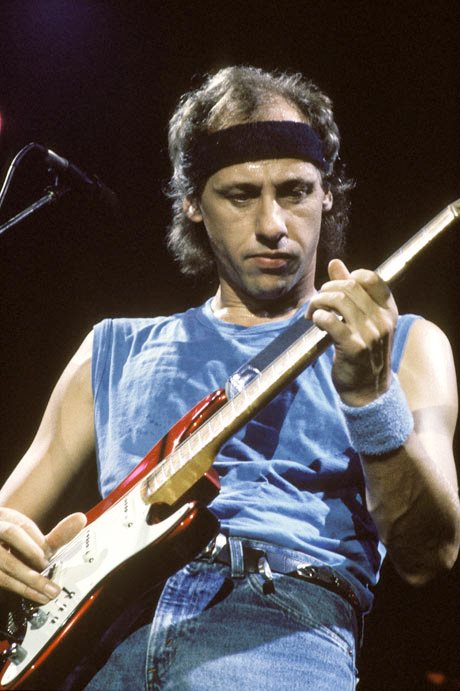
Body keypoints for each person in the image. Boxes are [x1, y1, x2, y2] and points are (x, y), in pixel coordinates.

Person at [0, 66, 459, 690]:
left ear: (327, 193)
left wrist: (371, 396)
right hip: (103, 640)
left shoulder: (404, 345)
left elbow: (430, 554)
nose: (273, 225)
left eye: (295, 191)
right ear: (192, 202)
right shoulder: (111, 348)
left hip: (276, 628)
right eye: (241, 196)